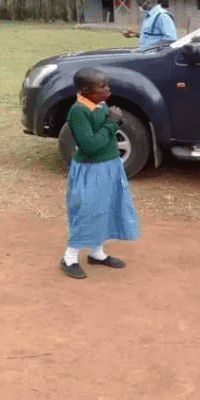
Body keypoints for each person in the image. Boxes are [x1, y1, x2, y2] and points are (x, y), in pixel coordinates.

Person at [60, 68, 140, 279]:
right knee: (87, 211)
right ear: (85, 91)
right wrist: (112, 122)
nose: (107, 90)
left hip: (109, 166)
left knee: (105, 209)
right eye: (102, 87)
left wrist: (110, 120)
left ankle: (97, 253)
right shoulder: (78, 111)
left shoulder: (99, 105)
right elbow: (90, 145)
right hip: (91, 169)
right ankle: (70, 257)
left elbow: (103, 134)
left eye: (107, 85)